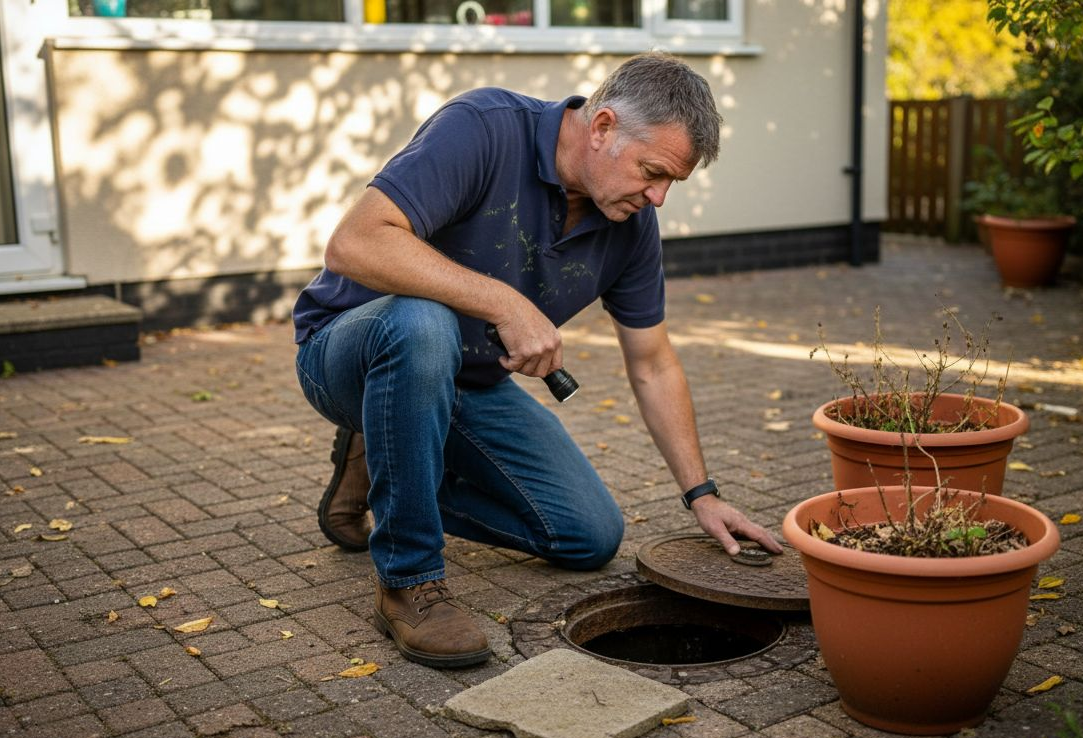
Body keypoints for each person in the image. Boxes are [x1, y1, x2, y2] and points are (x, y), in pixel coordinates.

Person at [293, 52, 782, 669]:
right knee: (421, 322)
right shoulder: (484, 127)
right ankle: (408, 581)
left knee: (588, 534)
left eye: (671, 184)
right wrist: (505, 303)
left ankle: (384, 455)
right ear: (603, 127)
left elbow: (653, 363)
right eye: (652, 172)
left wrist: (702, 495)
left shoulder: (630, 225)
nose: (658, 197)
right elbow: (354, 242)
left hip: (466, 382)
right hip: (349, 352)